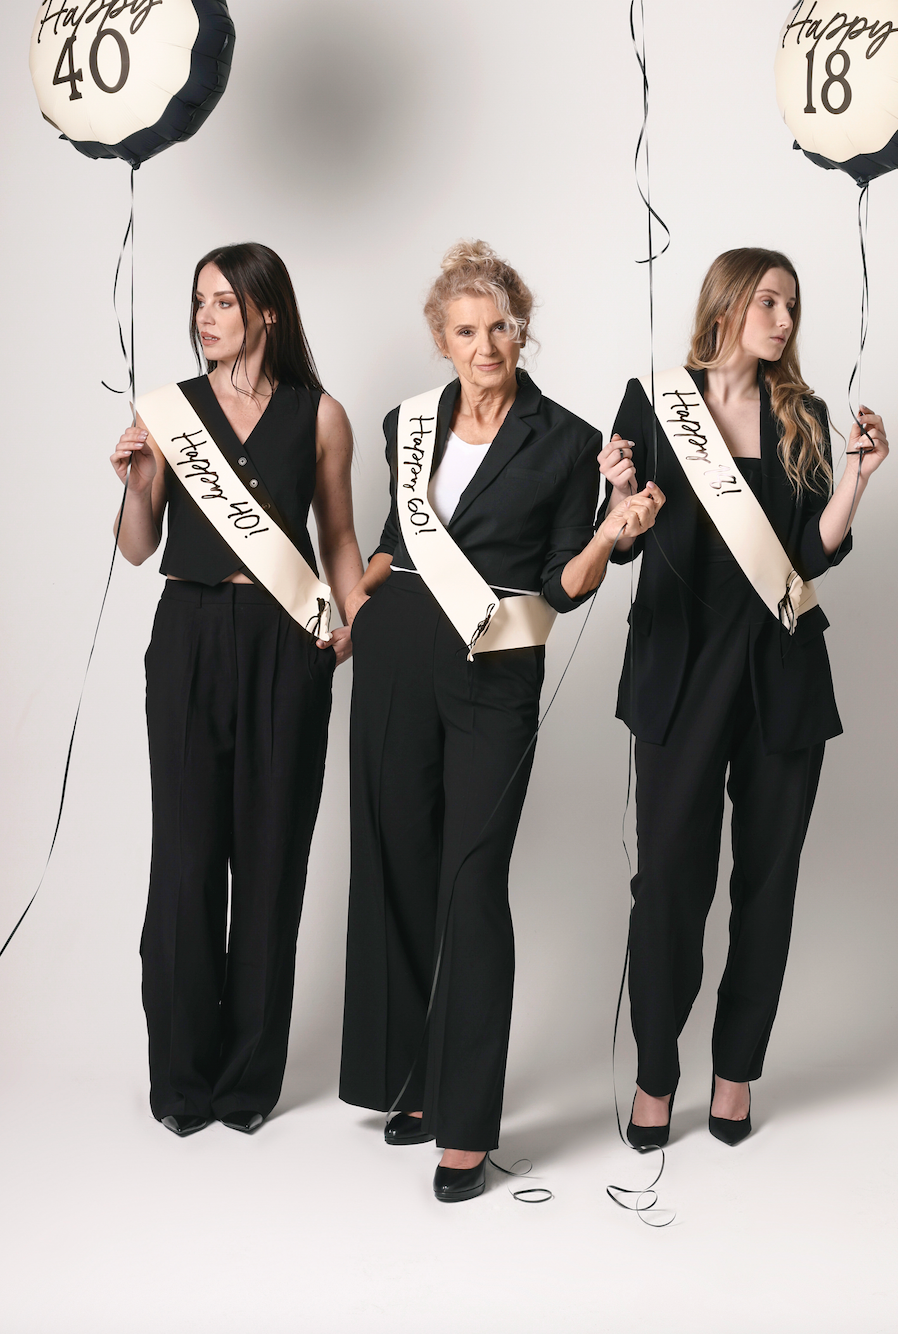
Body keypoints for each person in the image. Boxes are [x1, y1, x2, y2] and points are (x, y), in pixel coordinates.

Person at [339, 240, 663, 1202]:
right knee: (396, 862)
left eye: (502, 327)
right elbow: (396, 552)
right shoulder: (405, 424)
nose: (488, 346)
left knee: (471, 882)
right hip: (396, 658)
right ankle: (418, 1081)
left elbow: (563, 587)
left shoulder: (565, 441)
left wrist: (610, 527)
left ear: (523, 330)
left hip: (494, 674)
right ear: (442, 338)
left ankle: (467, 1121)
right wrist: (345, 618)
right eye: (468, 331)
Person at [600, 248, 889, 1149]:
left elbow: (807, 553)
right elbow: (612, 545)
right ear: (727, 303)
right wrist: (617, 502)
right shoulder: (654, 401)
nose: (786, 319)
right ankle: (655, 1078)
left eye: (793, 306)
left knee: (768, 885)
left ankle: (735, 1073)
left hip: (782, 679)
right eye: (770, 301)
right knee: (670, 888)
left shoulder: (801, 412)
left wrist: (855, 483)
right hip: (680, 680)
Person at [110, 243, 363, 1137]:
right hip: (188, 640)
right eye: (198, 302)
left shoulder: (320, 415)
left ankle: (248, 1082)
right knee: (184, 863)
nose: (205, 317)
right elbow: (139, 546)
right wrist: (140, 484)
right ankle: (181, 1085)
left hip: (284, 642)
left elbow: (337, 539)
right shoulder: (168, 413)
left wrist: (350, 627)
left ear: (266, 312)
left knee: (270, 861)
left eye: (223, 301)